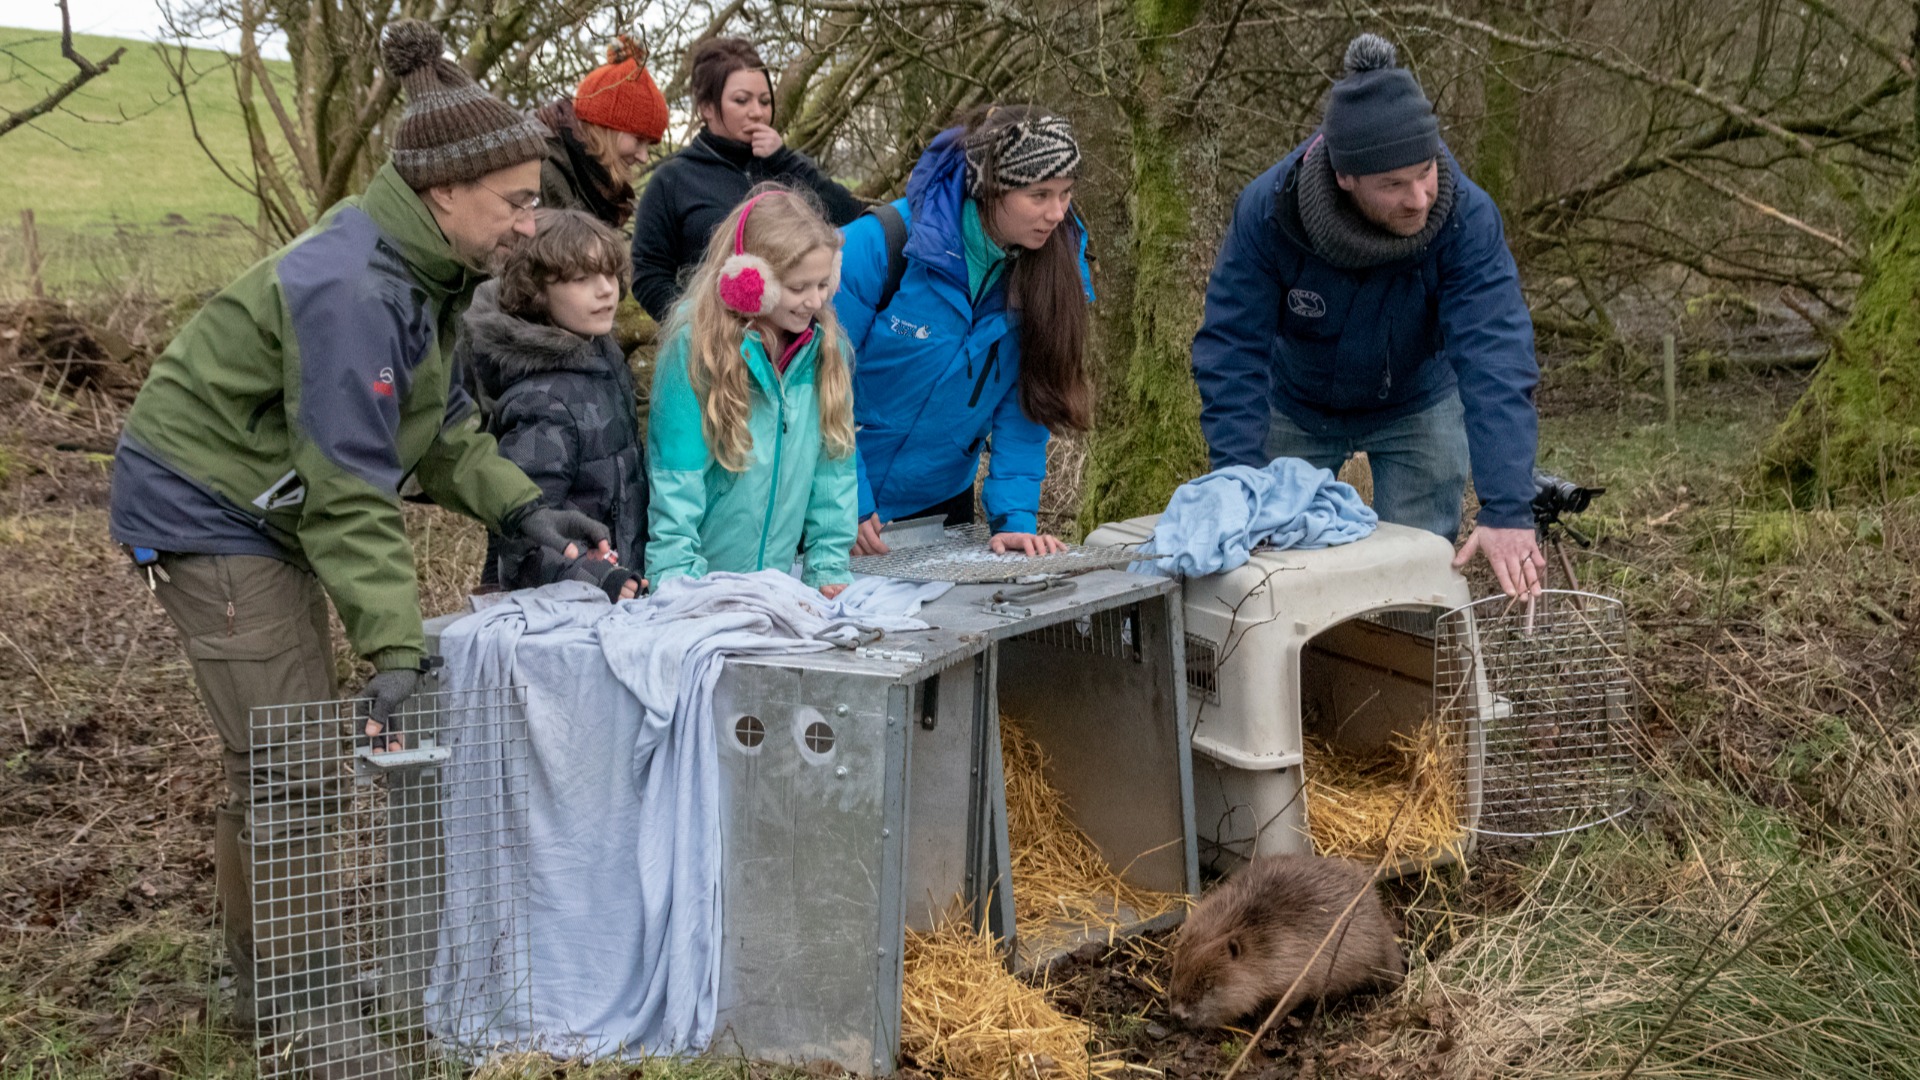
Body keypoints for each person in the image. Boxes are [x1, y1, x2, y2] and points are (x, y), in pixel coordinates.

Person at [106, 21, 606, 1075]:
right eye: (516, 201)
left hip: (269, 494)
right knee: (291, 759)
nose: (530, 223)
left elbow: (433, 428)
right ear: (445, 193)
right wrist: (394, 649)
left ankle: (274, 975)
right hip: (207, 502)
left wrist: (521, 511)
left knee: (276, 752)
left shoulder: (418, 269)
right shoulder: (354, 290)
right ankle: (299, 1006)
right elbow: (348, 487)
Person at [1191, 33, 1544, 598]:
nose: (1420, 198)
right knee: (1277, 572)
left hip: (1417, 400)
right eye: (1393, 185)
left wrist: (1507, 507)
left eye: (1425, 172)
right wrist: (1238, 477)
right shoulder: (1270, 212)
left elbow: (1495, 355)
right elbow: (1231, 345)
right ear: (1344, 176)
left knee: (1419, 571)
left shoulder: (1466, 219)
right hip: (1297, 401)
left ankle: (1412, 672)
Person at [834, 105, 1092, 558]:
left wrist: (1014, 520)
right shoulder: (877, 247)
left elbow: (1027, 405)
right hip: (828, 500)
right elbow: (814, 381)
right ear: (990, 189)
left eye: (1066, 192)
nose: (1056, 213)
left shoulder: (1055, 271)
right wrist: (845, 497)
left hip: (939, 510)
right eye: (1039, 195)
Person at [646, 185, 857, 597]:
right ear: (750, 280)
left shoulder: (825, 350)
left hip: (773, 588)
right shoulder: (695, 348)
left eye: (822, 284)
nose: (814, 300)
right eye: (798, 288)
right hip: (701, 585)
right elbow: (676, 477)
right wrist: (677, 581)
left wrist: (828, 566)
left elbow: (833, 470)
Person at [464, 209, 648, 600]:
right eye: (582, 279)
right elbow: (526, 540)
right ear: (536, 291)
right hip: (564, 608)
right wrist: (595, 576)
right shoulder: (540, 400)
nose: (606, 290)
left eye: (610, 274)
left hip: (616, 594)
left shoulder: (602, 359)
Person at [629, 37, 866, 322]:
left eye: (765, 101)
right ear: (706, 107)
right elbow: (648, 274)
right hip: (715, 346)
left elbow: (851, 215)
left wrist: (783, 160)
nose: (757, 112)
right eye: (742, 100)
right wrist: (695, 325)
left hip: (793, 342)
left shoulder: (786, 165)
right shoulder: (673, 178)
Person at [532, 36, 668, 228]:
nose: (644, 157)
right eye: (639, 140)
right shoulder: (539, 166)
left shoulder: (597, 188)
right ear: (606, 128)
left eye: (649, 144)